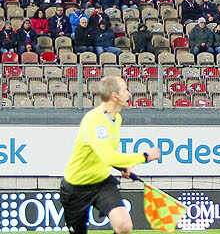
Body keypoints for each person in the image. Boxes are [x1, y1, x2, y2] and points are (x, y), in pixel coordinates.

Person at [60, 75, 160, 234]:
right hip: (76, 188)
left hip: (101, 183)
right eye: (125, 90)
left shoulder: (117, 118)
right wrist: (145, 156)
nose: (129, 94)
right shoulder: (94, 119)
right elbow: (108, 156)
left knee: (124, 226)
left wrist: (121, 166)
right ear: (115, 95)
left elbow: (105, 151)